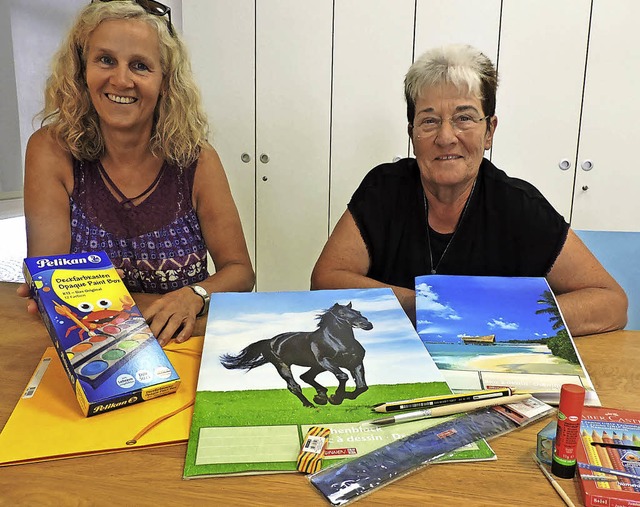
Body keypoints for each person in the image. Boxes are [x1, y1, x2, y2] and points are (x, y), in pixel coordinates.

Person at [311, 44, 627, 336]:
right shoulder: (383, 189)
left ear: (489, 131)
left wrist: (499, 316)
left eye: (464, 118)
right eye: (429, 121)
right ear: (412, 134)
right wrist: (428, 306)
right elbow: (326, 280)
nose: (446, 136)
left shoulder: (518, 206)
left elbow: (610, 303)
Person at [17, 0, 254, 345]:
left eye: (140, 66)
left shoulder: (197, 160)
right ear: (82, 69)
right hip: (93, 339)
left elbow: (240, 271)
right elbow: (53, 276)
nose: (121, 79)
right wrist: (47, 293)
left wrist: (196, 294)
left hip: (180, 342)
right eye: (106, 60)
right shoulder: (51, 150)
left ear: (165, 82)